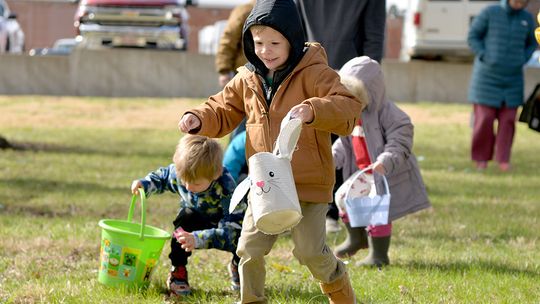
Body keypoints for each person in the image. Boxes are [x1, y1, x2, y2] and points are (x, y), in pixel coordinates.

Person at [178, 0, 365, 302]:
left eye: (275, 43)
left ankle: (340, 290)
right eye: (259, 42)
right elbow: (222, 108)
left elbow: (349, 108)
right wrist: (199, 117)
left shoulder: (315, 72)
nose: (266, 50)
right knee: (248, 249)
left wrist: (312, 110)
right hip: (265, 183)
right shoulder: (247, 78)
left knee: (309, 253)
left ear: (292, 39)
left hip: (308, 184)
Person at [295, 0, 387, 233]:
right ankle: (313, 211)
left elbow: (373, 39)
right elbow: (296, 31)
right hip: (314, 73)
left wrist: (365, 82)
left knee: (345, 146)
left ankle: (337, 213)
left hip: (350, 80)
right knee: (312, 143)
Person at [332, 56, 431, 267]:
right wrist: (332, 158)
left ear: (369, 93)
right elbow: (344, 144)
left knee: (378, 210)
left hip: (385, 173)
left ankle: (379, 254)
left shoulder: (391, 115)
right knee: (343, 197)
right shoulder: (352, 115)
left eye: (354, 97)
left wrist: (386, 160)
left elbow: (400, 142)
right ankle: (356, 238)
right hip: (363, 172)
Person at [130, 135, 247, 296]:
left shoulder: (227, 188)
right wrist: (144, 184)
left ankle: (238, 266)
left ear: (216, 174)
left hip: (225, 223)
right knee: (184, 219)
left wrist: (198, 239)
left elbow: (231, 232)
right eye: (184, 181)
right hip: (195, 217)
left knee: (243, 238)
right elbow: (162, 178)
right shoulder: (183, 173)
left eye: (196, 184)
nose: (188, 187)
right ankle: (178, 271)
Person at [467, 0, 537, 172]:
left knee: (508, 121)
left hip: (513, 80)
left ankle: (503, 159)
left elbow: (532, 43)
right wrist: (485, 55)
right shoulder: (490, 12)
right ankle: (481, 158)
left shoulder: (527, 18)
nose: (519, 3)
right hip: (486, 78)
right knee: (484, 120)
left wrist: (523, 58)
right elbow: (473, 36)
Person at [215, 0, 255, 140]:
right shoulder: (245, 10)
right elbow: (228, 41)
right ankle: (233, 159)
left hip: (269, 76)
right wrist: (224, 70)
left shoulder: (283, 9)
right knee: (240, 119)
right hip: (245, 76)